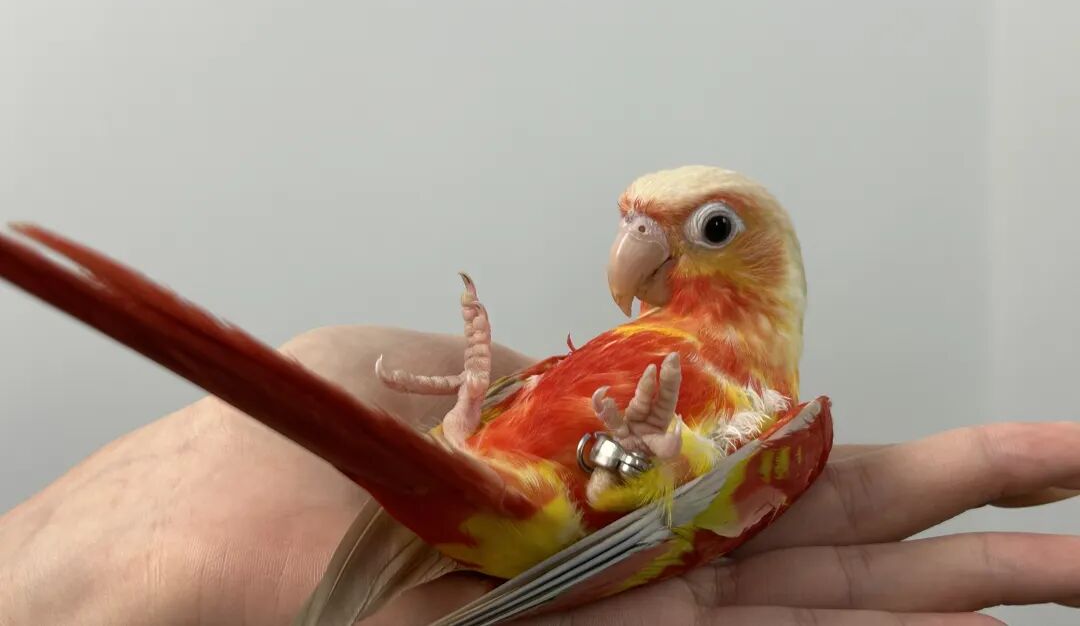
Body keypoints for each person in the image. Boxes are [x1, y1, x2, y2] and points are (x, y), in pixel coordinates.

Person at [1, 326, 1077, 625]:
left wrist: (632, 458)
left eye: (705, 231)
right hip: (510, 511)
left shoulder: (781, 415)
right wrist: (472, 422)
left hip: (548, 524)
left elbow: (622, 506)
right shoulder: (681, 358)